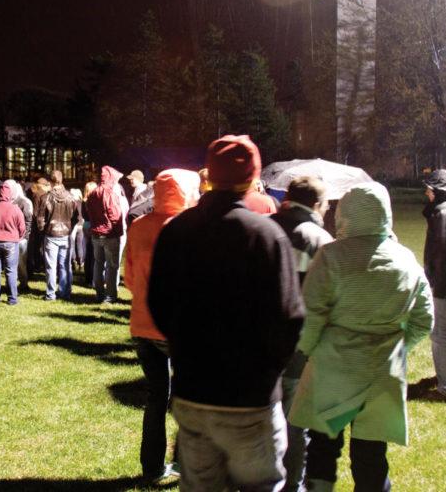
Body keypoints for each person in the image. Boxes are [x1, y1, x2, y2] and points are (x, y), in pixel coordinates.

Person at [148, 135, 304, 492]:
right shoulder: (267, 235)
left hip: (193, 391)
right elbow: (289, 317)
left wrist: (184, 350)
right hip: (249, 398)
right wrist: (268, 369)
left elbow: (158, 303)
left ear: (210, 177)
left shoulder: (177, 231)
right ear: (252, 178)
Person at [288, 183, 433, 492]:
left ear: (344, 214)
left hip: (333, 367)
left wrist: (310, 348)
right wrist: (399, 346)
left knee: (323, 449)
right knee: (372, 454)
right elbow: (424, 319)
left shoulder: (331, 257)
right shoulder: (406, 260)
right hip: (382, 371)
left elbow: (312, 313)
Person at [125, 168, 201, 483]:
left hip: (143, 322)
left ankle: (152, 467)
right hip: (179, 328)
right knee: (190, 398)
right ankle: (185, 463)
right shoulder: (192, 229)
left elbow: (128, 277)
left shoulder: (139, 226)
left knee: (156, 398)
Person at [269, 175, 334, 492]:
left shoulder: (263, 226)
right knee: (294, 420)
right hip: (298, 344)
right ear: (317, 204)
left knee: (263, 416)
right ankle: (291, 484)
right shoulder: (318, 239)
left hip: (258, 340)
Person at [407, 169, 446, 404]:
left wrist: (438, 285)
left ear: (439, 190)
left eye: (430, 188)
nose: (426, 192)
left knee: (442, 333)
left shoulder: (444, 213)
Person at [86, 166, 128, 304]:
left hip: (97, 234)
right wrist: (118, 231)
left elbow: (90, 214)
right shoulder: (109, 193)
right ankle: (110, 296)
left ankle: (99, 293)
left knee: (98, 264)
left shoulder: (93, 193)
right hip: (110, 235)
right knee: (112, 266)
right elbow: (115, 215)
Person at [37, 170, 79, 301]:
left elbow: (40, 219)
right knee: (65, 265)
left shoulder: (46, 197)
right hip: (64, 234)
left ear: (50, 181)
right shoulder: (71, 197)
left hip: (51, 234)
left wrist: (43, 230)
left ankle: (50, 294)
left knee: (51, 266)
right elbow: (77, 217)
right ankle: (65, 292)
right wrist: (69, 228)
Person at [0, 182, 26, 305]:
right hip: (11, 242)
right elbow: (22, 227)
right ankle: (12, 298)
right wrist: (18, 237)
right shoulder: (15, 208)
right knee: (11, 270)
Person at [5, 180, 34, 292]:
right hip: (12, 237)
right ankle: (11, 283)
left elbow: (28, 221)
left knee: (20, 263)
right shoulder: (11, 202)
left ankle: (23, 283)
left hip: (20, 238)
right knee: (11, 262)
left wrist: (24, 236)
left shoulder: (24, 202)